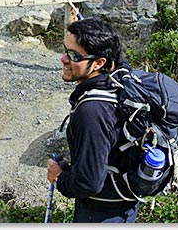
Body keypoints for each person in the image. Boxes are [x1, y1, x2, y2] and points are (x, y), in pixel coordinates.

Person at [46, 16, 139, 223]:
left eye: (74, 56)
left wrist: (60, 177)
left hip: (100, 213)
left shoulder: (91, 112)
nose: (63, 59)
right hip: (124, 205)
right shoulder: (120, 78)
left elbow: (88, 183)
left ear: (99, 63)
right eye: (65, 50)